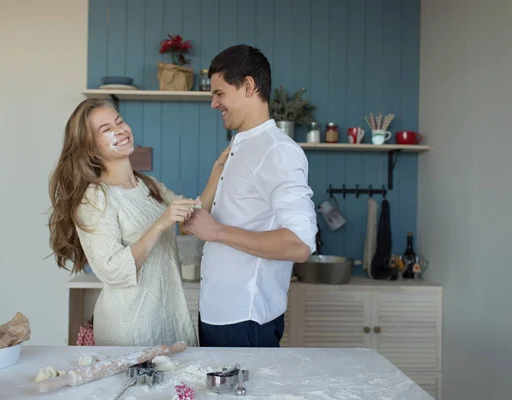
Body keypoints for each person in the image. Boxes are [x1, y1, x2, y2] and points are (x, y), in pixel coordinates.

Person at [48, 98, 229, 347]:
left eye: (119, 121)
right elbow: (113, 270)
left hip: (169, 317)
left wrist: (218, 171)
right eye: (106, 129)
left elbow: (194, 216)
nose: (120, 130)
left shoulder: (149, 186)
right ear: (90, 148)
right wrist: (159, 224)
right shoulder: (94, 198)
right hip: (129, 327)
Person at [183, 45, 318, 348]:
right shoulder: (239, 147)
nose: (213, 104)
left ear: (248, 86)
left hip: (246, 319)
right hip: (217, 313)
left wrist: (215, 232)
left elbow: (300, 243)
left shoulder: (277, 151)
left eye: (219, 93)